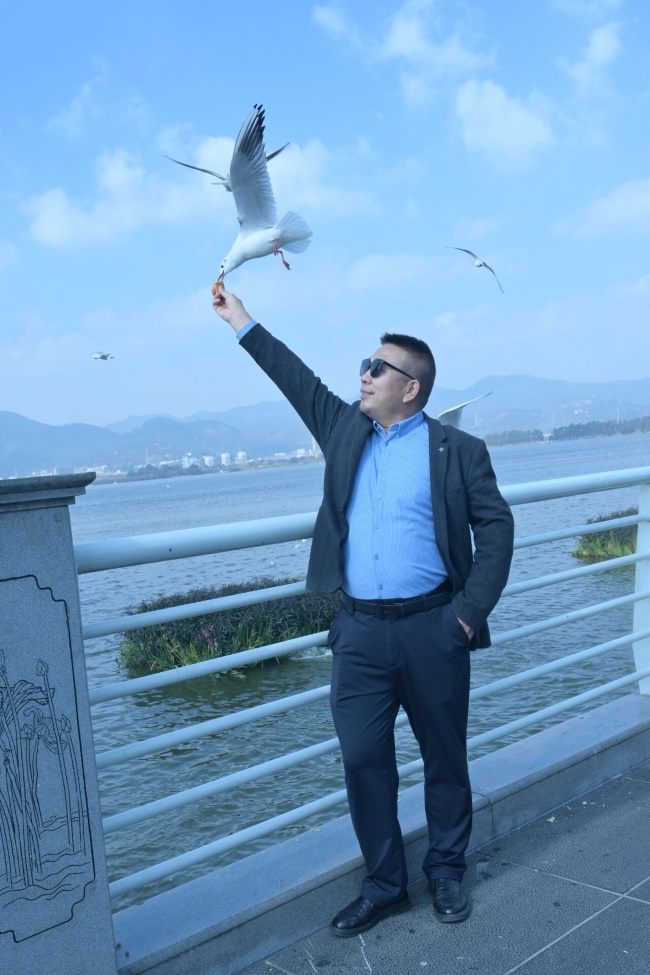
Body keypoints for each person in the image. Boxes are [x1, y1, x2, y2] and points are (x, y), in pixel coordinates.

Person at [212, 284, 514, 936]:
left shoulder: (458, 451)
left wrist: (466, 614)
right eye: (364, 364)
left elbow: (496, 529)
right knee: (362, 760)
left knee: (444, 757)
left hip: (434, 627)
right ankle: (384, 885)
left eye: (378, 367)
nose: (364, 374)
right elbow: (294, 377)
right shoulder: (345, 430)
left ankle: (446, 869)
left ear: (412, 387)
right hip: (359, 632)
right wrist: (240, 319)